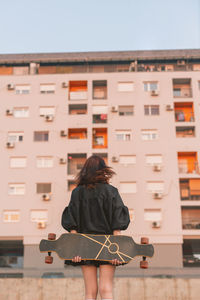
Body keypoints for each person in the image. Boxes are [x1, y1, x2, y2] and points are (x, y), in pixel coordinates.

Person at [61, 155, 130, 300]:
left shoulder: (77, 193)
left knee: (89, 292)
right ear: (103, 170)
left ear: (85, 170)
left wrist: (75, 249)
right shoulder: (111, 191)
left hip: (84, 246)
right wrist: (117, 252)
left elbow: (72, 226)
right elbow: (117, 226)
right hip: (109, 244)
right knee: (106, 290)